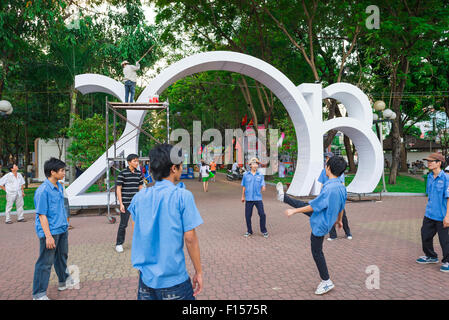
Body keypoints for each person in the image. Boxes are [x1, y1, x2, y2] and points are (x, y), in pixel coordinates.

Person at [129, 144, 203, 300]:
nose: (182, 168)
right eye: (181, 165)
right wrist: (198, 271)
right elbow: (190, 238)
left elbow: (137, 233)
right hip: (174, 280)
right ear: (173, 168)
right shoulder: (183, 196)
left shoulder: (139, 198)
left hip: (146, 280)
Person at [276, 156, 348, 295]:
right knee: (303, 204)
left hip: (322, 221)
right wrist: (339, 221)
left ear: (328, 168)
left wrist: (294, 211)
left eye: (325, 165)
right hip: (327, 217)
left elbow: (314, 207)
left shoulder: (329, 189)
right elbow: (341, 207)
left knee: (317, 252)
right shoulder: (341, 187)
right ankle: (283, 197)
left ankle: (326, 281)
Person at [32, 158, 75, 300]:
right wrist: (48, 236)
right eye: (62, 170)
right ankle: (38, 294)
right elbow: (42, 215)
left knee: (62, 257)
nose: (64, 173)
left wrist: (66, 223)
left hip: (62, 229)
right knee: (45, 262)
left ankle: (63, 281)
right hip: (49, 232)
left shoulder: (59, 187)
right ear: (52, 172)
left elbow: (62, 207)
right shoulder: (43, 191)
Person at [416, 153, 449, 273]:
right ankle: (431, 256)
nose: (429, 163)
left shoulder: (446, 178)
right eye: (428, 161)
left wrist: (447, 216)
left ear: (439, 163)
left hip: (442, 216)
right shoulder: (429, 177)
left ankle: (447, 261)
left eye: (432, 161)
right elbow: (429, 195)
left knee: (444, 240)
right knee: (425, 235)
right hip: (430, 214)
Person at [319, 152, 352, 241]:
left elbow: (342, 183)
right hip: (327, 195)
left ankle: (348, 232)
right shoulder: (324, 170)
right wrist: (321, 194)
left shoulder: (338, 171)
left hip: (336, 195)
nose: (327, 160)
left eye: (328, 158)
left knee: (342, 214)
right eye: (326, 158)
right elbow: (322, 183)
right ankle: (333, 235)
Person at [115, 154, 143, 253]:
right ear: (129, 162)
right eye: (135, 161)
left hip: (136, 203)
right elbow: (118, 189)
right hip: (126, 203)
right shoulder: (123, 173)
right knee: (123, 224)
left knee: (138, 224)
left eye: (137, 161)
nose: (137, 163)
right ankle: (119, 244)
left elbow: (140, 187)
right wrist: (121, 203)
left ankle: (139, 243)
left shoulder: (139, 173)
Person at [241, 157, 268, 238]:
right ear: (250, 165)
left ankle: (264, 230)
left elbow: (263, 184)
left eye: (256, 164)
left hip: (258, 198)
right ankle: (249, 231)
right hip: (248, 198)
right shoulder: (246, 175)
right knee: (247, 216)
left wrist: (263, 187)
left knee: (262, 214)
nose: (255, 165)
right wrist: (242, 196)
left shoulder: (260, 175)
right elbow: (244, 186)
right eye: (254, 164)